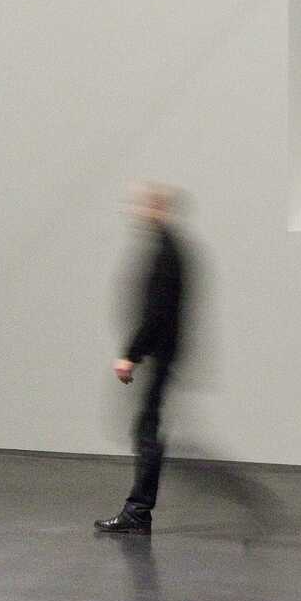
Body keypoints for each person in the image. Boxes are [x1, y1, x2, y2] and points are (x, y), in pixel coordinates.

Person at [96, 182, 186, 535]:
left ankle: (138, 511)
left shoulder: (165, 252)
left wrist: (130, 355)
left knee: (146, 432)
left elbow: (157, 311)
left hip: (161, 355)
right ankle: (138, 510)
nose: (135, 212)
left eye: (142, 206)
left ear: (156, 209)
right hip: (164, 354)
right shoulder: (170, 248)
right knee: (148, 429)